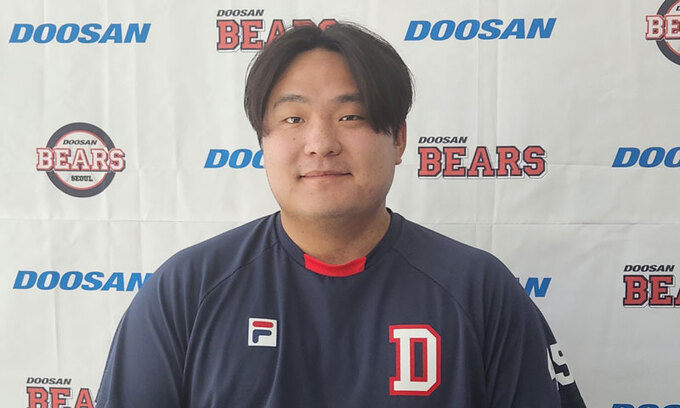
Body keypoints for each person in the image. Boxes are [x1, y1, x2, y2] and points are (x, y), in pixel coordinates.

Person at [96, 22, 586, 407]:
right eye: (293, 118)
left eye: (350, 116)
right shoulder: (188, 290)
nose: (321, 143)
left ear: (398, 139)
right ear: (263, 141)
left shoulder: (478, 289)